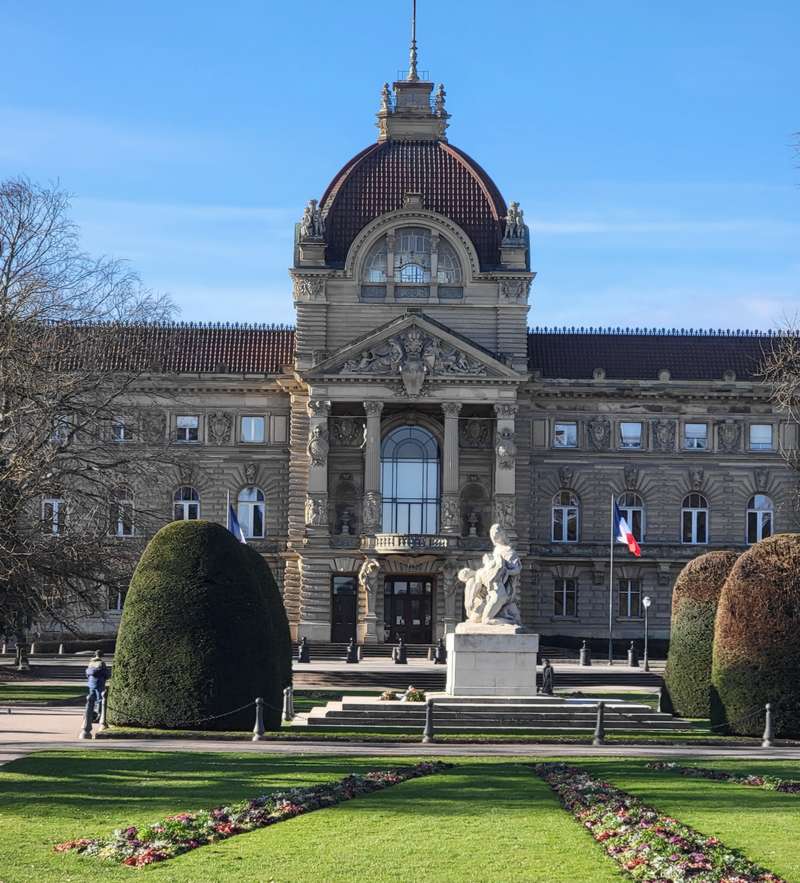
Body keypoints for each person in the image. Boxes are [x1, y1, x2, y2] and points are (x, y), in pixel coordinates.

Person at [85, 651, 109, 722]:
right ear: (101, 655)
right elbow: (105, 674)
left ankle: (88, 714)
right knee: (100, 700)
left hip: (91, 683)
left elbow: (87, 674)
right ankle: (99, 715)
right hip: (99, 683)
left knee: (91, 699)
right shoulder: (101, 663)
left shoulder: (91, 663)